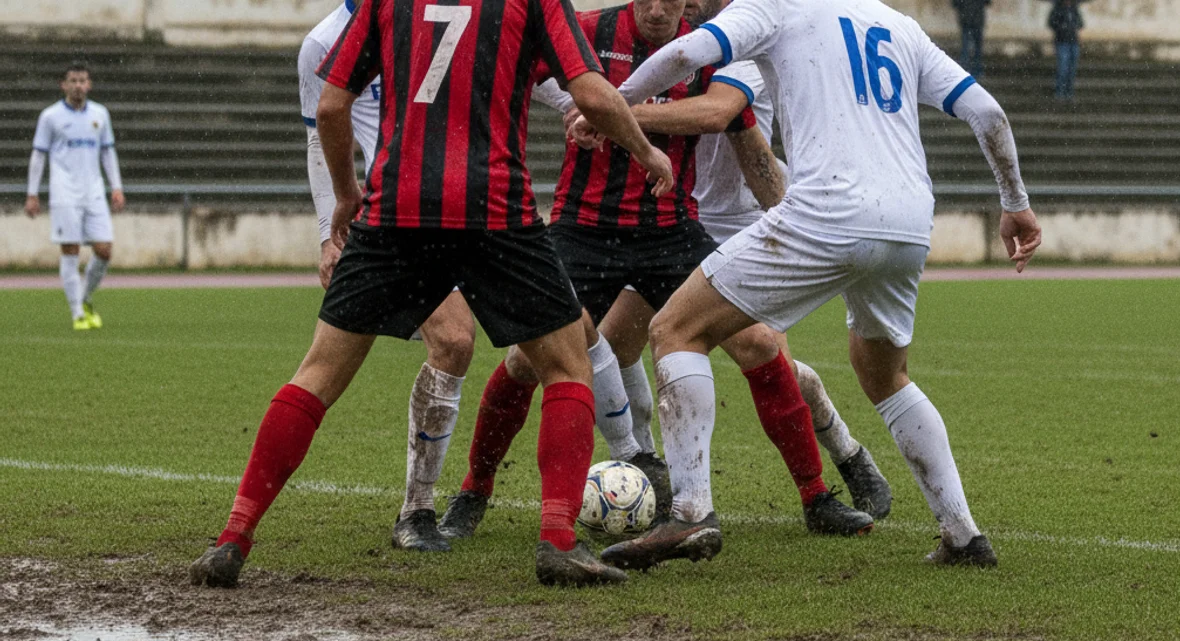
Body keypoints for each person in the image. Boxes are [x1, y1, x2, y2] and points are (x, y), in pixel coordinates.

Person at [189, 0, 675, 589]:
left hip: (395, 210)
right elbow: (590, 94)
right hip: (494, 210)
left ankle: (233, 538)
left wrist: (346, 197)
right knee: (567, 364)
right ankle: (558, 542)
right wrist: (647, 151)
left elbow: (331, 105)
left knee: (316, 373)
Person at [603, 0, 1042, 569]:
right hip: (908, 223)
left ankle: (689, 514)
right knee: (884, 374)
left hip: (827, 210)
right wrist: (1016, 205)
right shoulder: (898, 25)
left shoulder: (776, 7)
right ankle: (963, 534)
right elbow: (988, 113)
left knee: (675, 329)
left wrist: (616, 106)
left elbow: (688, 53)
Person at [437, 0, 876, 555]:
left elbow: (727, 122)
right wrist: (562, 115)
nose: (657, 8)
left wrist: (613, 113)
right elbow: (511, 77)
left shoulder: (712, 46)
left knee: (758, 340)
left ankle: (816, 497)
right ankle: (474, 490)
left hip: (672, 229)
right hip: (584, 228)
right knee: (530, 358)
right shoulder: (590, 29)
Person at [297, 0, 478, 554]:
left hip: (467, 204)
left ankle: (637, 458)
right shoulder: (323, 42)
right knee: (453, 341)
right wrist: (329, 232)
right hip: (392, 218)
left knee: (559, 339)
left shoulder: (438, 14)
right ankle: (418, 509)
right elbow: (320, 134)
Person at [25, 63, 125, 331]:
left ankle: (85, 299)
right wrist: (32, 194)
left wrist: (116, 187)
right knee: (70, 250)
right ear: (64, 85)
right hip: (64, 192)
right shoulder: (50, 117)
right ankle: (77, 314)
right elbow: (38, 155)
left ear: (89, 85)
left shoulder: (100, 114)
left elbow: (107, 152)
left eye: (82, 80)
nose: (78, 85)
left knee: (104, 250)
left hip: (93, 192)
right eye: (73, 80)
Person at [1048, 0, 1084, 101]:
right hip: (1062, 41)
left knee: (1072, 68)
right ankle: (1060, 92)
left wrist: (1073, 26)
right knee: (1063, 68)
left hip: (1073, 41)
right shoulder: (1057, 9)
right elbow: (1051, 23)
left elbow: (1081, 23)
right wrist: (1062, 26)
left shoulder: (1074, 9)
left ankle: (1069, 92)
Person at [952, 0, 989, 77]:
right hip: (977, 17)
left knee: (965, 46)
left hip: (965, 17)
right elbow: (987, 2)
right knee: (977, 47)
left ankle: (965, 70)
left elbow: (955, 3)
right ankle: (977, 70)